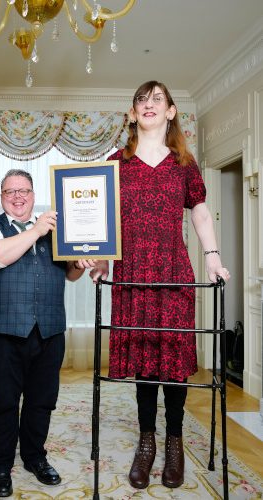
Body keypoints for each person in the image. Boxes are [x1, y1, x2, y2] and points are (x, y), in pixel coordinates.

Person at [85, 81, 231, 490]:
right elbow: (102, 221)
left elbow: (200, 213)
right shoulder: (116, 163)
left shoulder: (184, 162)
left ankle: (174, 440)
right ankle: (146, 441)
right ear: (132, 113)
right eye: (141, 101)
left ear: (170, 112)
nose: (148, 105)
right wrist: (98, 258)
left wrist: (213, 256)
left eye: (157, 100)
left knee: (172, 359)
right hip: (132, 273)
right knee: (145, 362)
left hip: (173, 270)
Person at [0, 169, 85, 497]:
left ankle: (35, 457)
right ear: (1, 197)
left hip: (49, 331)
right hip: (1, 334)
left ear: (33, 194)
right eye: (10, 192)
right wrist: (36, 230)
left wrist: (81, 261)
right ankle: (0, 466)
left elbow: (71, 275)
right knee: (4, 402)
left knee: (42, 401)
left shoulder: (54, 230)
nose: (18, 196)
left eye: (24, 190)